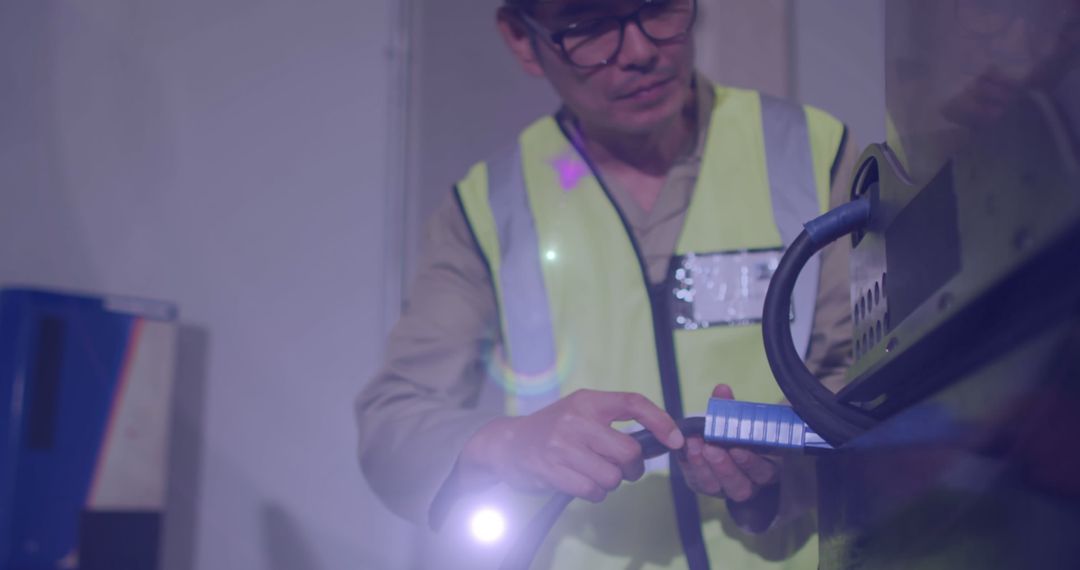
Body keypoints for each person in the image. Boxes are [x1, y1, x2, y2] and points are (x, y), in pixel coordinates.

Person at [356, 0, 858, 568]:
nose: (641, 51)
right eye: (590, 26)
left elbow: (880, 396)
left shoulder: (811, 153)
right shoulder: (490, 207)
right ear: (523, 39)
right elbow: (391, 424)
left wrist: (778, 476)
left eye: (660, 7)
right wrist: (507, 443)